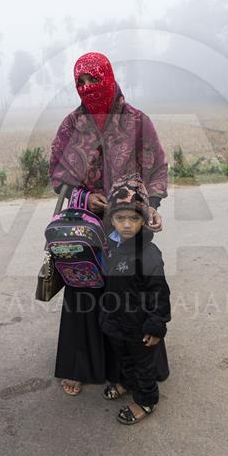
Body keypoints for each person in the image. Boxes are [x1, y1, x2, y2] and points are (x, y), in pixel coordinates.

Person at [49, 51, 169, 397]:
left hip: (126, 225)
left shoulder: (136, 121)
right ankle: (79, 366)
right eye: (80, 82)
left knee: (128, 295)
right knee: (83, 292)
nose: (87, 88)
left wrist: (152, 205)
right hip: (85, 227)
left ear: (109, 77)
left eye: (93, 79)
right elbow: (57, 173)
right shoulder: (73, 125)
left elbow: (157, 167)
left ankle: (131, 370)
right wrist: (86, 198)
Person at [98, 175, 171, 425]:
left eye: (134, 218)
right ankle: (128, 384)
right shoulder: (114, 246)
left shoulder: (149, 255)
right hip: (117, 321)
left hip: (139, 326)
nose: (127, 225)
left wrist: (156, 325)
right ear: (112, 219)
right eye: (120, 218)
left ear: (144, 220)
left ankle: (146, 400)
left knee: (143, 364)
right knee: (125, 359)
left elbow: (160, 294)